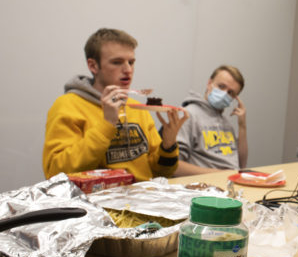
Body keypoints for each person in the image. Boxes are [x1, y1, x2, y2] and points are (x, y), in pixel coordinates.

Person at [43, 28, 189, 181]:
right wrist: (107, 125)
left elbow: (161, 172)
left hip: (141, 199)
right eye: (117, 62)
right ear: (93, 66)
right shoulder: (68, 106)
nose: (128, 70)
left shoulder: (137, 108)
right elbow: (56, 173)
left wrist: (168, 146)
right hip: (94, 200)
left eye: (131, 62)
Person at [174, 65, 247, 175]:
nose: (224, 94)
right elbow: (174, 166)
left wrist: (242, 126)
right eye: (221, 86)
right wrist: (220, 175)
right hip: (205, 186)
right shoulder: (187, 115)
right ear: (209, 83)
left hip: (230, 182)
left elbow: (242, 165)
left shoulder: (226, 123)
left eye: (230, 93)